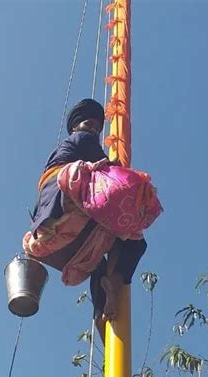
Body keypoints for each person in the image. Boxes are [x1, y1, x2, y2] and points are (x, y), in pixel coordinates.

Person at [24, 98, 151, 341]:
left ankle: (102, 307)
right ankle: (116, 280)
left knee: (110, 255)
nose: (92, 127)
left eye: (95, 125)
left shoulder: (64, 148)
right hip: (68, 196)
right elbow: (110, 170)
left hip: (55, 218)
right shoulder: (83, 138)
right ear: (76, 127)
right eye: (88, 123)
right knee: (134, 236)